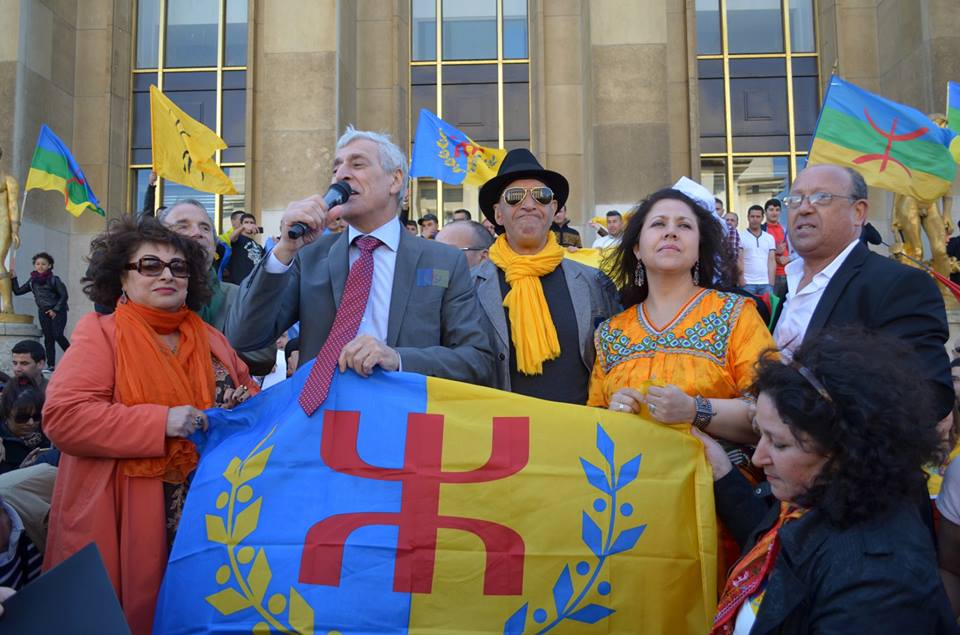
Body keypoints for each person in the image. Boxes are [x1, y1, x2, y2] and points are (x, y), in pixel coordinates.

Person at [42, 217, 258, 634]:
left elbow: (248, 393)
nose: (167, 275)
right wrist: (162, 421)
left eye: (179, 267)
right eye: (150, 265)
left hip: (213, 519)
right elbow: (64, 418)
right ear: (122, 275)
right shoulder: (100, 334)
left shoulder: (212, 337)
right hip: (125, 517)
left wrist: (240, 402)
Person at [694, 329, 955, 633]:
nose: (758, 458)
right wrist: (724, 473)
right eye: (760, 433)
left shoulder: (876, 581)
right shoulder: (819, 501)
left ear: (845, 451)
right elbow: (786, 551)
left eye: (779, 444)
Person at [225, 126, 495, 404]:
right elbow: (244, 337)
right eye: (336, 168)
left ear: (395, 180)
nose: (342, 174)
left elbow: (476, 360)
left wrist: (398, 358)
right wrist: (284, 249)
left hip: (405, 424)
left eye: (357, 164)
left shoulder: (444, 261)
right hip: (321, 425)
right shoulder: (309, 257)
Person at [590, 188, 774, 450]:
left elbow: (776, 413)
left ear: (699, 249)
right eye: (658, 224)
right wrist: (613, 413)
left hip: (719, 486)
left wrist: (694, 410)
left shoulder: (736, 314)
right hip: (630, 486)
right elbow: (591, 426)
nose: (671, 232)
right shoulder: (611, 332)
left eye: (684, 225)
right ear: (637, 249)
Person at [773, 164, 953, 419]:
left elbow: (928, 394)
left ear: (858, 212)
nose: (803, 208)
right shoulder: (786, 288)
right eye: (795, 199)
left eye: (821, 198)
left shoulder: (898, 285)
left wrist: (812, 415)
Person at [476, 148, 619, 403]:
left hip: (577, 432)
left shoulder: (594, 283)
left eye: (541, 196)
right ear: (498, 213)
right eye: (515, 196)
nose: (529, 204)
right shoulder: (469, 285)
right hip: (501, 432)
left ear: (553, 209)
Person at [159, 199, 276, 375]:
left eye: (205, 228)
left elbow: (264, 356)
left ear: (214, 245)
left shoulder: (238, 295)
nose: (197, 232)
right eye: (183, 226)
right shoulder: (141, 294)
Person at [12, 252, 70, 368]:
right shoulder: (32, 281)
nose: (40, 266)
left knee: (58, 335)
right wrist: (14, 278)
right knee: (48, 338)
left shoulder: (54, 279)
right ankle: (51, 365)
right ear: (34, 266)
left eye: (43, 264)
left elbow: (64, 296)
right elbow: (18, 291)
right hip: (43, 312)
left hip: (57, 311)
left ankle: (74, 355)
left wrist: (55, 310)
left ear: (49, 265)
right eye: (37, 264)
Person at [0, 383, 46, 473]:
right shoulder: (3, 447)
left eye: (36, 417)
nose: (31, 423)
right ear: (7, 415)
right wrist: (20, 473)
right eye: (22, 417)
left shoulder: (49, 434)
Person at [738, 204, 776, 297]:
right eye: (752, 216)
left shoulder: (769, 238)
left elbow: (771, 260)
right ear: (748, 217)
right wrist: (741, 281)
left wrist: (771, 282)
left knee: (767, 311)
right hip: (747, 283)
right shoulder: (740, 236)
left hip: (766, 283)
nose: (755, 219)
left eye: (758, 216)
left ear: (762, 218)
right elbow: (739, 260)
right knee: (747, 311)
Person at [221, 213, 264, 283]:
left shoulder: (258, 246)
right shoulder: (237, 239)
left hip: (255, 284)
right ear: (241, 225)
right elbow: (230, 238)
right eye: (246, 222)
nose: (249, 224)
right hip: (240, 284)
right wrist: (243, 227)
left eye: (251, 223)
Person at [761, 198, 790, 298]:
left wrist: (789, 258)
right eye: (771, 210)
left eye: (777, 210)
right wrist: (775, 253)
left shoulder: (786, 229)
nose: (774, 213)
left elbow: (797, 252)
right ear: (765, 212)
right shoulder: (761, 230)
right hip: (770, 276)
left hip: (788, 273)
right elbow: (757, 253)